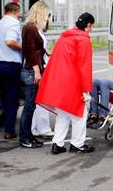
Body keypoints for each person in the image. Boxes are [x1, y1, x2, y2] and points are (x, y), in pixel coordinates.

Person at [36, 12, 95, 154]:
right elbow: (84, 66)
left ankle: (57, 144)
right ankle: (77, 144)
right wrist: (86, 88)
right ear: (88, 25)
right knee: (80, 115)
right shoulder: (83, 40)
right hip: (73, 83)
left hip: (59, 82)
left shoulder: (64, 36)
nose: (91, 29)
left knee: (63, 114)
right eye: (91, 26)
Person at [18, 1, 50, 148]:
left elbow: (37, 50)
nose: (48, 19)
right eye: (47, 15)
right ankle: (24, 139)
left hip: (33, 70)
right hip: (31, 71)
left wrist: (48, 53)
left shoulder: (32, 29)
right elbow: (29, 52)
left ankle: (29, 136)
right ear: (41, 14)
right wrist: (37, 71)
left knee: (31, 106)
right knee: (29, 106)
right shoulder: (30, 29)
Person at [0, 2, 22, 139]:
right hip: (10, 65)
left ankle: (2, 113)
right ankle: (9, 130)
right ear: (16, 11)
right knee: (13, 98)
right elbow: (9, 41)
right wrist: (22, 47)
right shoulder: (14, 24)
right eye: (19, 13)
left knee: (3, 92)